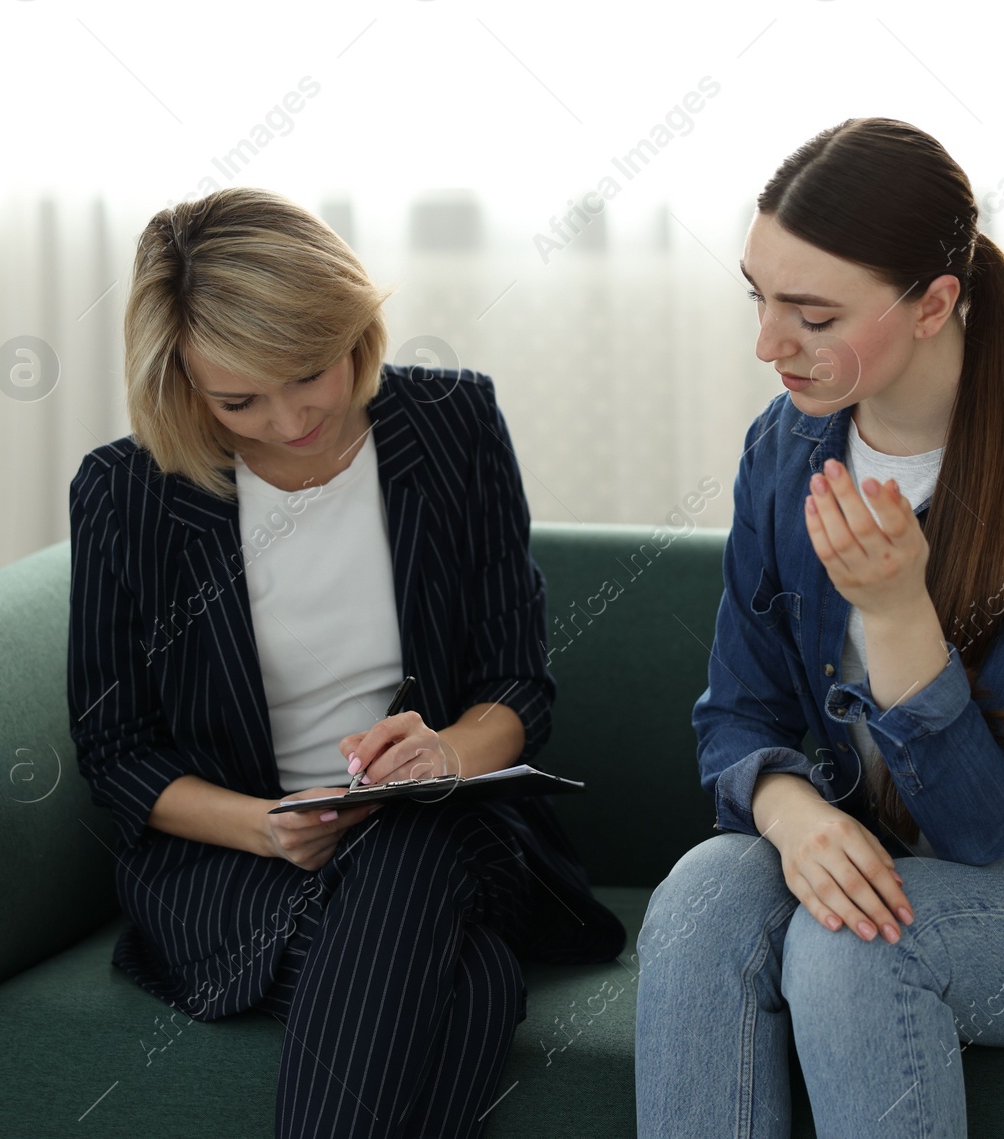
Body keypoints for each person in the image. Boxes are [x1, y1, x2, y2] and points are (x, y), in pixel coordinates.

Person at [633, 118, 1004, 1137]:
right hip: (873, 849)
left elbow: (973, 827)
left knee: (859, 940)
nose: (767, 343)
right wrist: (793, 812)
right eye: (759, 295)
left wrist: (896, 611)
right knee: (705, 889)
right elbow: (736, 712)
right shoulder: (782, 448)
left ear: (934, 304)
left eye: (813, 315)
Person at [67, 186, 624, 1139]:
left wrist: (443, 754)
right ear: (181, 383)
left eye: (309, 373)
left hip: (446, 827)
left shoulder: (453, 425)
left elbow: (518, 683)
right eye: (238, 398)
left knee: (412, 845)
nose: (289, 420)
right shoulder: (127, 493)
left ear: (351, 327)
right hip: (234, 856)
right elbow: (116, 751)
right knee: (474, 980)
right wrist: (266, 826)